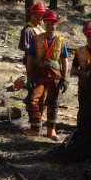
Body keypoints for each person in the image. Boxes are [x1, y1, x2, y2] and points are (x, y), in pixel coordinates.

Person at [25, 10, 69, 141]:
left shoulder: (61, 41)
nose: (50, 26)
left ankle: (51, 130)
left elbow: (64, 60)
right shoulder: (36, 39)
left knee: (53, 103)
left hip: (54, 77)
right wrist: (30, 77)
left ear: (57, 24)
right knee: (32, 100)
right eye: (48, 23)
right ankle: (35, 128)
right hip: (38, 76)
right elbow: (30, 58)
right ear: (44, 23)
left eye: (53, 23)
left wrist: (64, 79)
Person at [19, 2, 47, 122]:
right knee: (34, 90)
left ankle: (39, 114)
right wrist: (35, 50)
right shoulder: (28, 29)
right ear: (33, 15)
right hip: (32, 64)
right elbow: (22, 46)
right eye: (40, 15)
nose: (42, 18)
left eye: (42, 15)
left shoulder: (40, 28)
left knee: (43, 90)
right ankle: (33, 117)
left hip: (43, 65)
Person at [70, 21, 91, 124]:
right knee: (83, 110)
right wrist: (85, 74)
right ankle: (80, 129)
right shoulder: (80, 52)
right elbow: (72, 71)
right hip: (84, 86)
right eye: (88, 36)